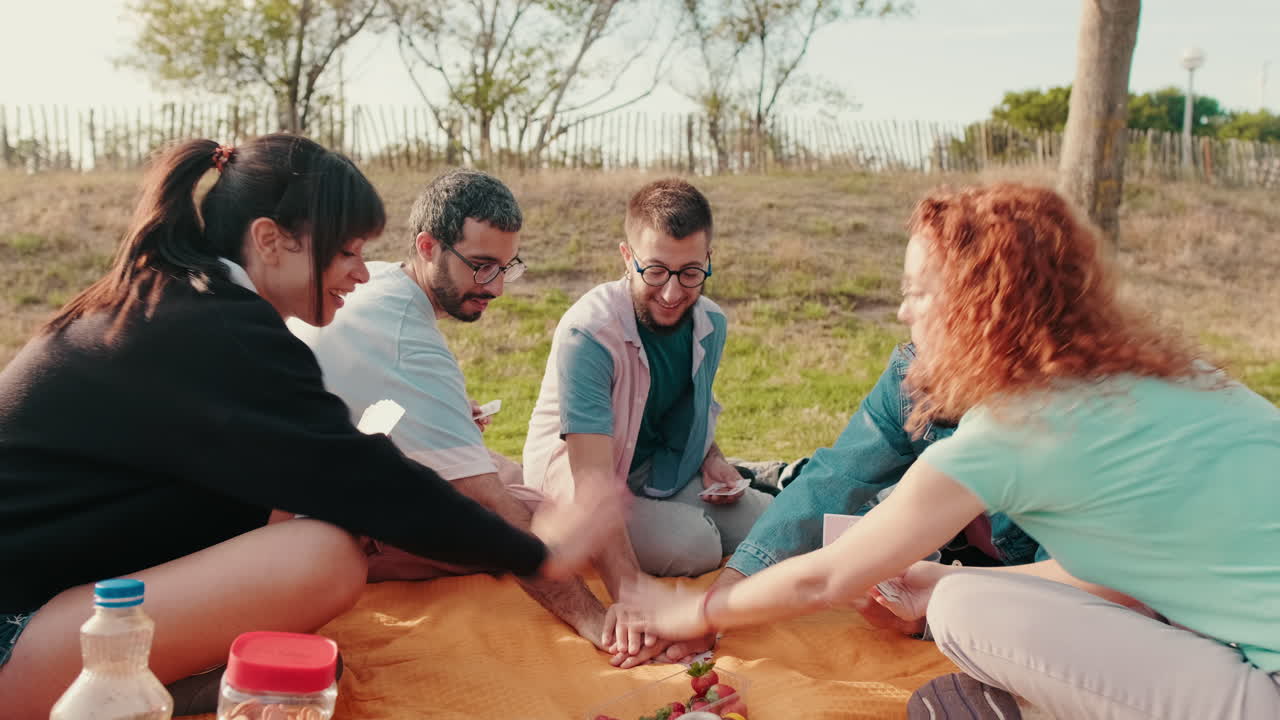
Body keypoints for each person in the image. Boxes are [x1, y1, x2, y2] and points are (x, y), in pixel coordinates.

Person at [0, 136, 616, 720]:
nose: (360, 272)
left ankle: (177, 678)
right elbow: (372, 481)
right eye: (346, 252)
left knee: (301, 517)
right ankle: (135, 688)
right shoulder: (223, 329)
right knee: (325, 555)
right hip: (15, 636)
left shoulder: (181, 299)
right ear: (271, 240)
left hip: (49, 602)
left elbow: (319, 469)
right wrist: (538, 554)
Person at [625, 183, 1280, 720]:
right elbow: (1117, 576)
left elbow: (828, 576)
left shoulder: (1021, 425)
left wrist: (696, 607)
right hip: (1228, 645)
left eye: (918, 291)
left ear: (978, 306)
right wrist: (934, 575)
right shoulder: (1172, 372)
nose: (903, 312)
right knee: (953, 593)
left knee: (965, 612)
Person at [292, 168, 622, 660]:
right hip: (315, 523)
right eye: (482, 266)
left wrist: (425, 413)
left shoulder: (379, 279)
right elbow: (490, 508)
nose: (497, 288)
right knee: (543, 517)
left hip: (323, 469)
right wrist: (590, 617)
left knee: (519, 482)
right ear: (428, 246)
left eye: (507, 267)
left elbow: (356, 391)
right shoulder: (410, 342)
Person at [661, 341, 1050, 661]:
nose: (903, 310)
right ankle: (783, 475)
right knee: (849, 511)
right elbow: (833, 481)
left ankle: (780, 474)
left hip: (1014, 583)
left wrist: (934, 616)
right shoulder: (916, 371)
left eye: (921, 293)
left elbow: (1067, 598)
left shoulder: (1053, 426)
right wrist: (719, 602)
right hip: (949, 543)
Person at [523, 178, 772, 665]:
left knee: (766, 527)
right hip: (581, 486)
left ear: (708, 259)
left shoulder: (711, 323)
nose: (673, 292)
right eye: (655, 271)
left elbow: (686, 406)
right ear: (626, 256)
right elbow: (592, 481)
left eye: (691, 272)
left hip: (662, 473)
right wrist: (631, 599)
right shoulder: (587, 334)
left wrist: (714, 458)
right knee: (699, 543)